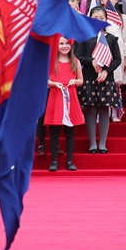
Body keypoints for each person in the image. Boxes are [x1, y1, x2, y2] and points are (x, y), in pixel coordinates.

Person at [76, 7, 122, 154]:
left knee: (104, 110)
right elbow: (78, 56)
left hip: (106, 79)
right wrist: (92, 61)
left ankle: (102, 143)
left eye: (101, 18)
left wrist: (106, 71)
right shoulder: (84, 37)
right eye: (95, 17)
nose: (98, 20)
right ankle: (92, 143)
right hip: (89, 79)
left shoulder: (111, 38)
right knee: (90, 110)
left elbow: (117, 59)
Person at [44, 36, 84, 171]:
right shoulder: (51, 62)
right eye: (61, 43)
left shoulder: (75, 62)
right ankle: (54, 161)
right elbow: (45, 81)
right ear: (56, 45)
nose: (64, 46)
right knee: (54, 129)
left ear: (71, 45)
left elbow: (80, 80)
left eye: (67, 43)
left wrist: (74, 82)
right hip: (56, 96)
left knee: (69, 129)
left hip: (70, 98)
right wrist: (54, 84)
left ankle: (69, 161)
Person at [100, 0, 126, 122]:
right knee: (104, 83)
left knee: (115, 83)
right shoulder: (98, 15)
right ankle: (103, 111)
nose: (109, 1)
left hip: (117, 54)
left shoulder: (122, 17)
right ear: (101, 0)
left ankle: (115, 111)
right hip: (102, 53)